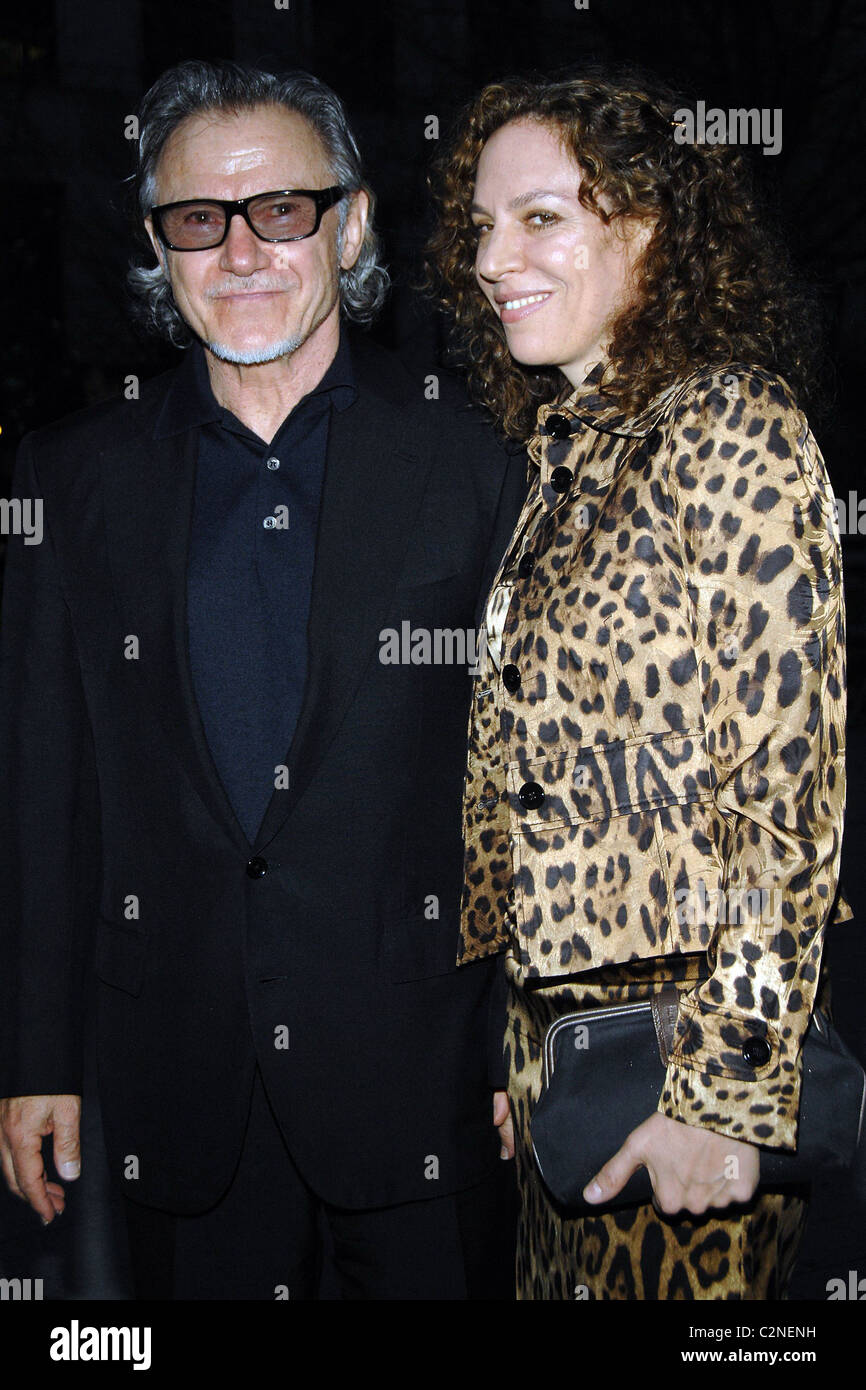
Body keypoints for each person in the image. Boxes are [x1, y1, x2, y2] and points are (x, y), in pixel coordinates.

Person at [0, 59, 525, 1300]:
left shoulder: (480, 459)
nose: (241, 253)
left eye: (280, 211)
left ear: (348, 227)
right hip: (176, 1073)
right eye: (200, 220)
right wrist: (33, 1055)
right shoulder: (70, 478)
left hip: (428, 1077)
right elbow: (42, 790)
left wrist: (530, 1034)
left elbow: (532, 779)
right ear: (158, 249)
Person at [426, 69, 852, 1299]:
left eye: (540, 218)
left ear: (650, 228)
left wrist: (723, 1100)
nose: (493, 256)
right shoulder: (566, 461)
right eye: (481, 225)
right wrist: (525, 1061)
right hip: (576, 1065)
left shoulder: (730, 427)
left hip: (686, 1069)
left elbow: (788, 805)